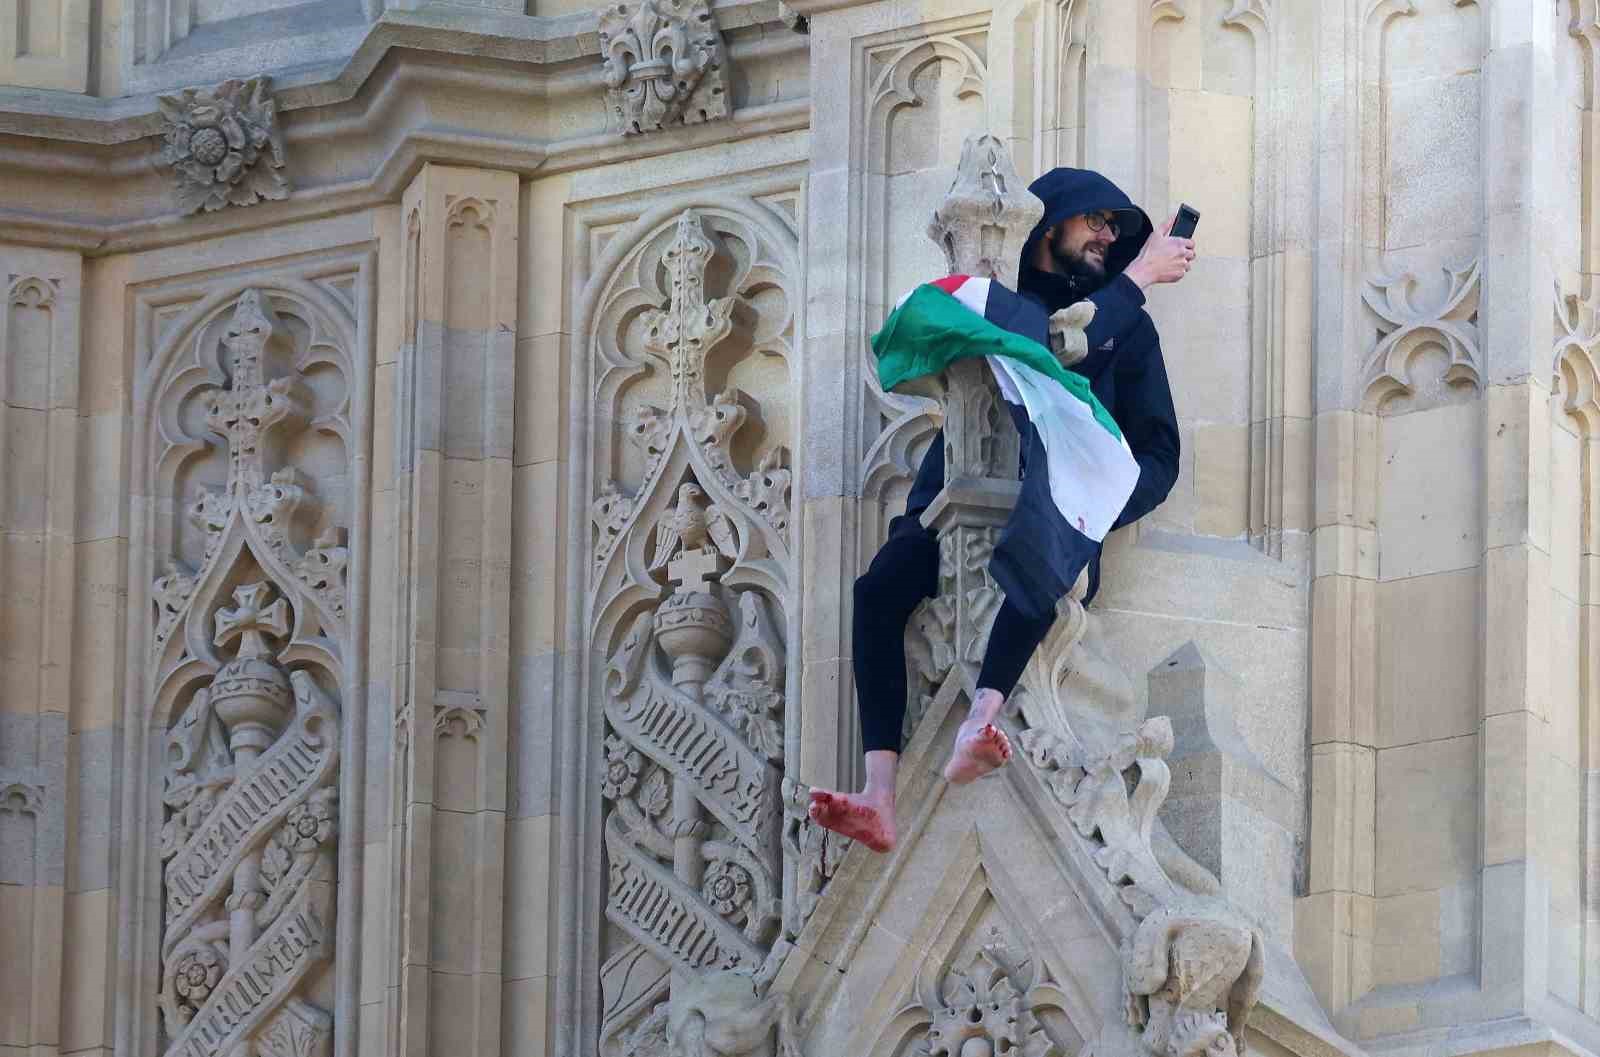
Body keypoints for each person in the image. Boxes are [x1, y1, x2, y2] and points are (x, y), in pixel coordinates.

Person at [807, 167, 1194, 853]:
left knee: (1045, 547)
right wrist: (1135, 283)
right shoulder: (1003, 304)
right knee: (878, 588)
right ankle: (879, 793)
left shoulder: (1127, 333)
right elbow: (1043, 340)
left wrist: (1098, 495)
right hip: (953, 495)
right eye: (1097, 220)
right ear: (1051, 226)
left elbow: (1160, 453)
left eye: (1115, 226)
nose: (1109, 234)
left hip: (1055, 513)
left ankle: (978, 721)